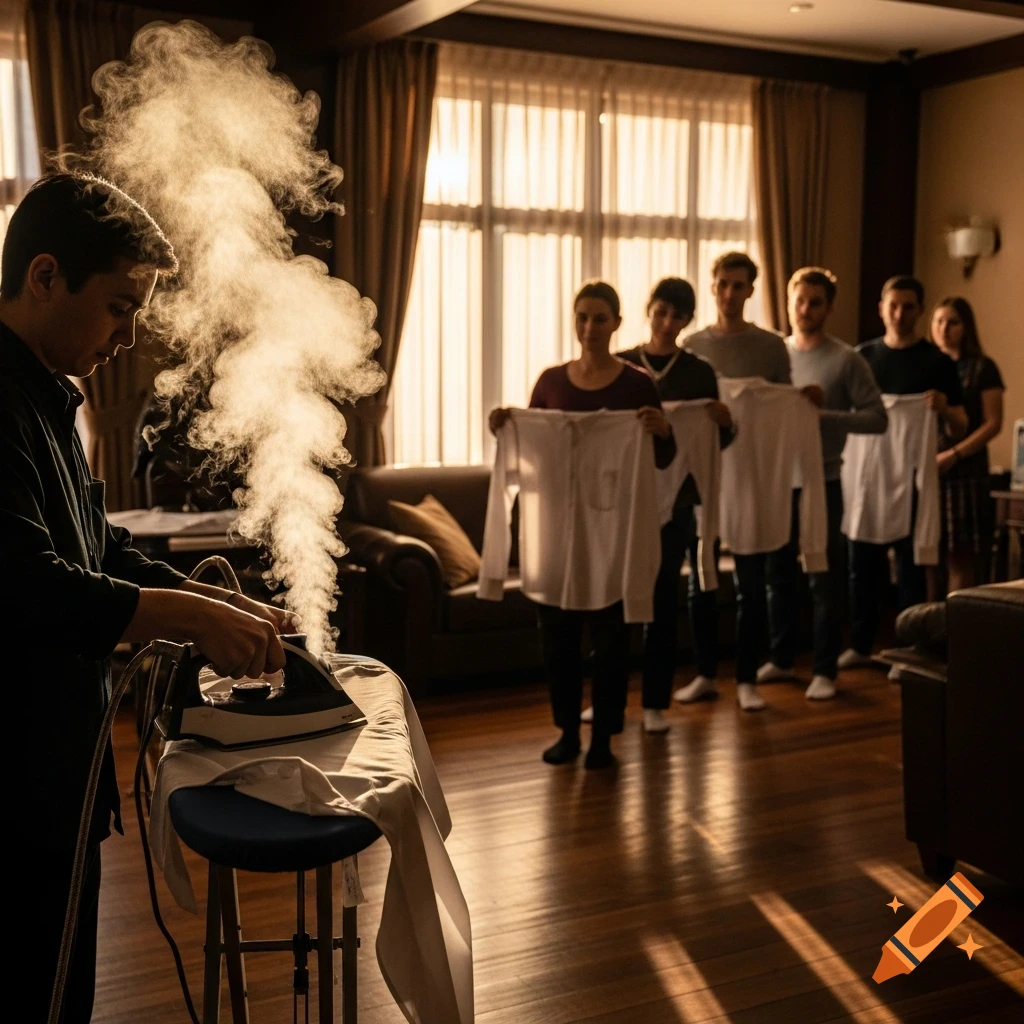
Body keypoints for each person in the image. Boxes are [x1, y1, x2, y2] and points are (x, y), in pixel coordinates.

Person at [1, 174, 294, 1024]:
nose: (130, 336)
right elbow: (25, 585)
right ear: (45, 276)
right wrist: (193, 617)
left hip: (61, 775)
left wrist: (221, 608)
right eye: (120, 306)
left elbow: (101, 552)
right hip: (14, 783)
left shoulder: (50, 396)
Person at [489, 280, 674, 768]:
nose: (590, 328)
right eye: (582, 317)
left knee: (612, 643)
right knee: (558, 642)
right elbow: (529, 453)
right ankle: (568, 731)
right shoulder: (551, 381)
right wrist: (506, 427)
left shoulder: (637, 384)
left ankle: (604, 740)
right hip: (555, 531)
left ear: (617, 323)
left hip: (614, 532)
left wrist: (662, 431)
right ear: (574, 322)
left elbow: (663, 459)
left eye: (600, 318)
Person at [595, 277, 734, 733]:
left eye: (677, 315)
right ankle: (606, 700)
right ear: (648, 310)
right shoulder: (623, 366)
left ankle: (654, 703)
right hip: (624, 500)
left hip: (677, 503)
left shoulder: (699, 371)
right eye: (660, 311)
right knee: (612, 606)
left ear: (688, 321)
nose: (666, 322)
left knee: (659, 603)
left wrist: (723, 422)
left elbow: (717, 443)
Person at [679, 251, 816, 711]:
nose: (730, 293)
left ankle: (745, 678)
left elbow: (786, 406)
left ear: (752, 291)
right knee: (701, 581)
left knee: (752, 584)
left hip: (757, 477)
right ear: (712, 286)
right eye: (723, 284)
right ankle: (704, 673)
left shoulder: (771, 346)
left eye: (740, 286)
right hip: (706, 476)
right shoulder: (692, 345)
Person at [756, 268, 887, 700]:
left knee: (822, 576)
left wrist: (822, 415)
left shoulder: (846, 359)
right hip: (776, 480)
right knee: (777, 575)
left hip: (824, 479)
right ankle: (780, 658)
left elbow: (877, 418)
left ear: (829, 308)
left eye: (815, 302)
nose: (805, 310)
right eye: (800, 301)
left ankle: (825, 669)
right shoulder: (773, 355)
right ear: (789, 302)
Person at [839, 276, 968, 668]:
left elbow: (962, 423)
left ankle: (909, 650)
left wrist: (945, 409)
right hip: (866, 475)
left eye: (908, 307)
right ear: (881, 307)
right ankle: (860, 645)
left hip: (910, 478)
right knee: (861, 566)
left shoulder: (937, 362)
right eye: (893, 305)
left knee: (911, 572)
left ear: (919, 310)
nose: (899, 314)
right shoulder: (861, 358)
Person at [930, 297, 1005, 592]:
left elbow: (993, 423)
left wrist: (955, 454)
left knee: (959, 555)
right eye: (939, 322)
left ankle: (958, 627)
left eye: (952, 323)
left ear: (966, 327)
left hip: (965, 469)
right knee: (927, 554)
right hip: (927, 468)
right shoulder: (927, 364)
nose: (944, 329)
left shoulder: (982, 368)